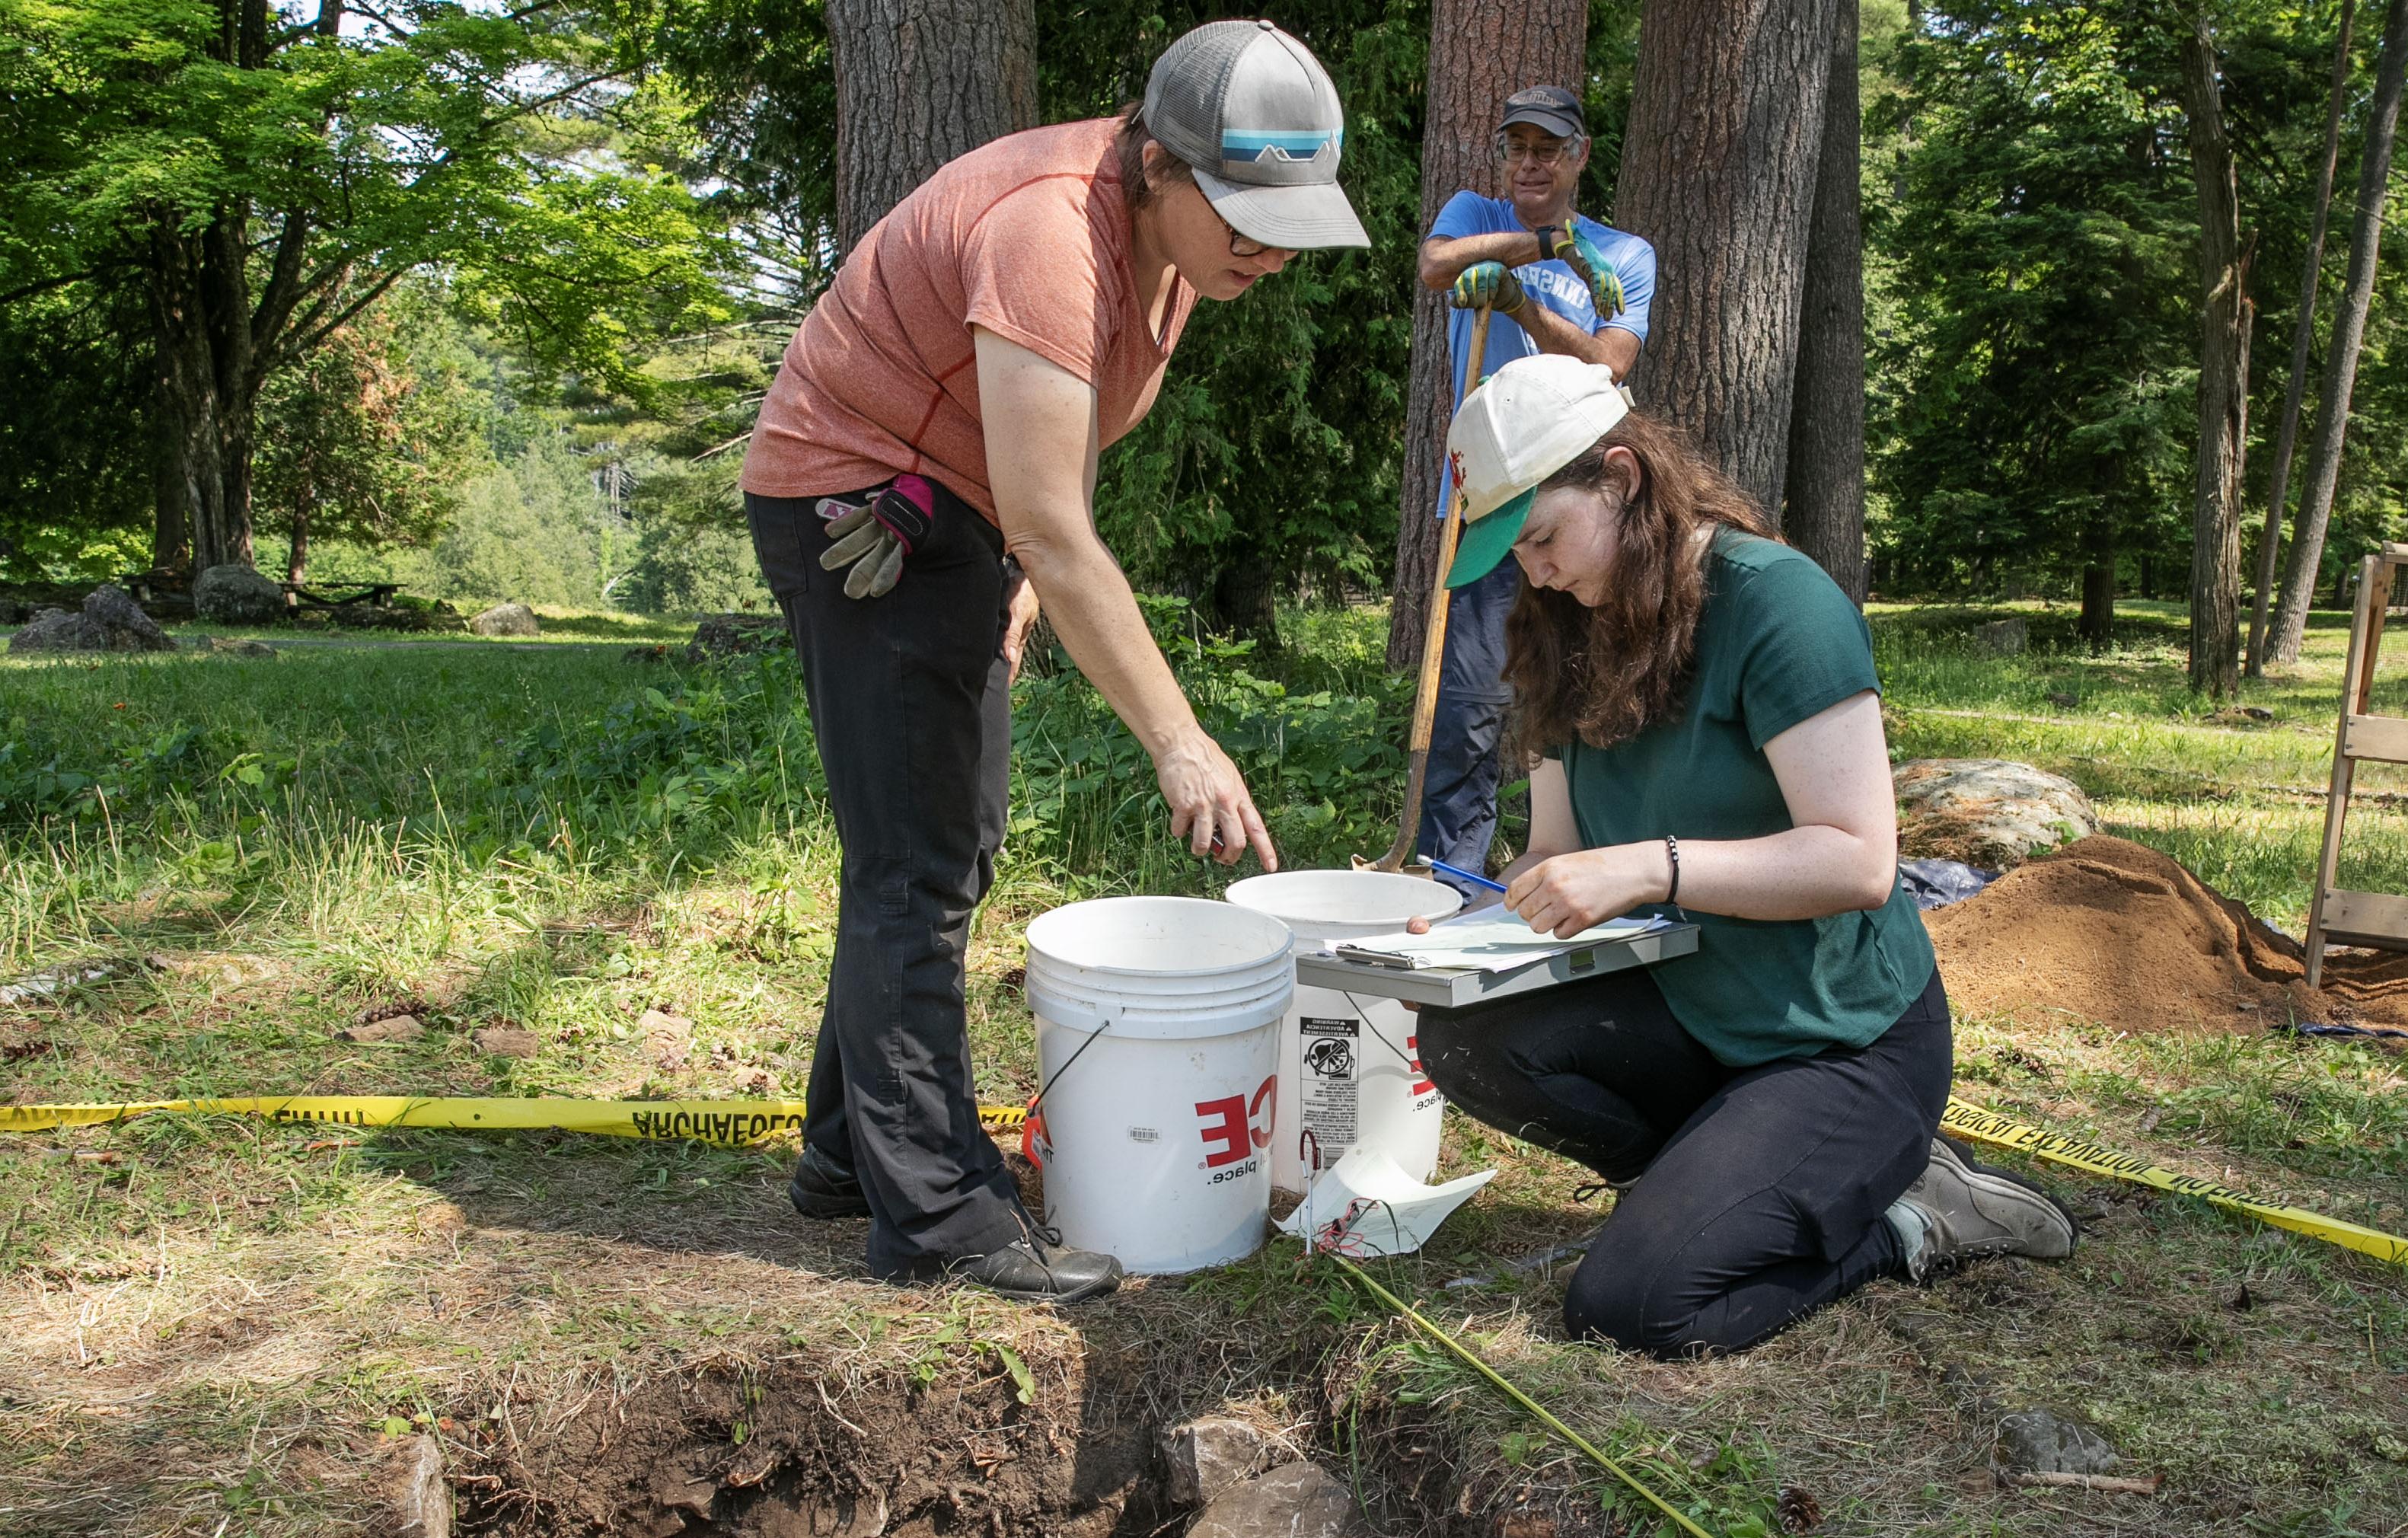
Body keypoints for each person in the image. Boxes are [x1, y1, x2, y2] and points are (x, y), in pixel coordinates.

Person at [736, 21, 1371, 1302]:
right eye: (1245, 212)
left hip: (962, 517)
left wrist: (1021, 575)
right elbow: (1053, 515)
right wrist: (1179, 738)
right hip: (863, 508)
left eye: (1291, 219)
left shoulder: (1179, 261)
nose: (1270, 246)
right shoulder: (1044, 230)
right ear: (1156, 165)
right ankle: (938, 1221)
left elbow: (1061, 449)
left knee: (940, 848)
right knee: (915, 864)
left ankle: (848, 1153)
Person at [1409, 355, 2078, 1358]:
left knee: (1631, 1310)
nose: (1533, 572)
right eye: (1512, 553)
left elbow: (1856, 861)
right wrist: (1465, 925)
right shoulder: (1556, 627)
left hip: (1838, 1041)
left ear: (1623, 479)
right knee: (1462, 1036)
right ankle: (1714, 1188)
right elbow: (1555, 848)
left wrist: (1647, 868)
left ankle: (1910, 1215)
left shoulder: (1776, 605)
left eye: (1541, 537)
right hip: (1694, 1012)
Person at [1412, 85, 1656, 900]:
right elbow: (1435, 264)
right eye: (1518, 146)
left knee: (1590, 693)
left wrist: (1521, 295)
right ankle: (1455, 887)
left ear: (1580, 156)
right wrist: (1540, 244)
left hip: (1586, 517)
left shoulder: (1623, 257)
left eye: (1548, 148)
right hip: (1487, 513)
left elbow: (1609, 363)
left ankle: (1589, 871)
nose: (1530, 162)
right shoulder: (1474, 211)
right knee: (1471, 708)